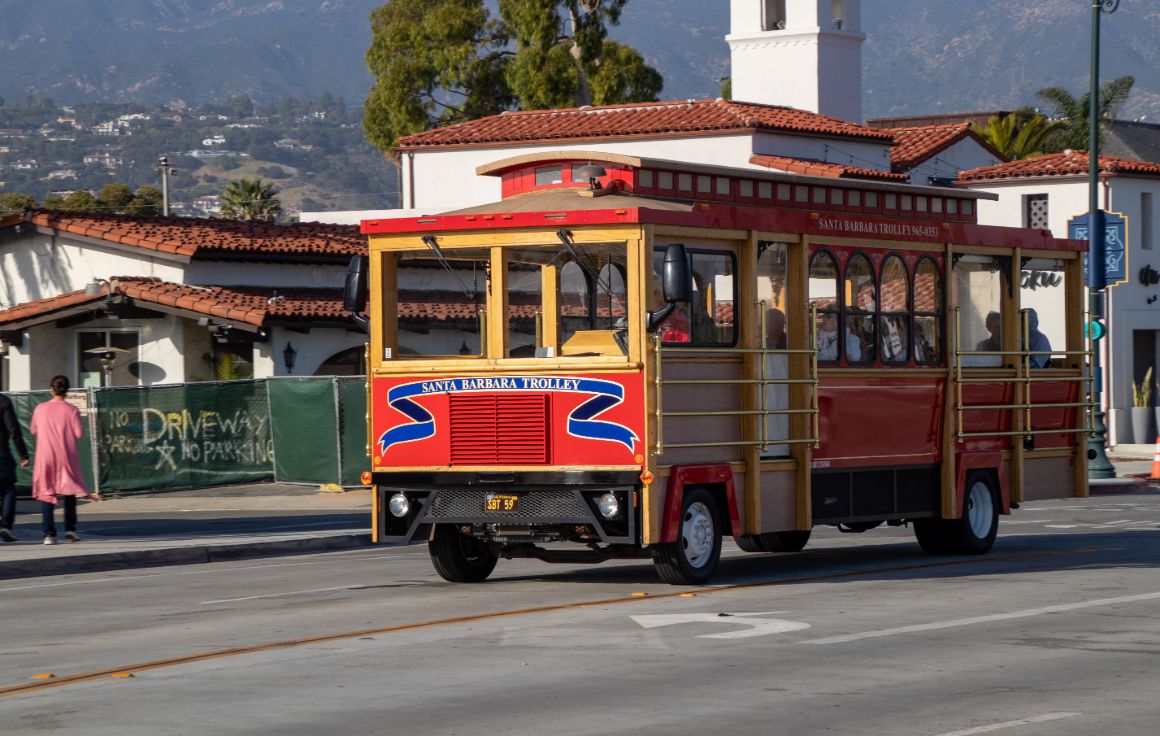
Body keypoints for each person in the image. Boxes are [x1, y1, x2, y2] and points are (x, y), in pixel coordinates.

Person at [31, 375, 99, 545]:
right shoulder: (72, 410)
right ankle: (70, 529)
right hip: (66, 456)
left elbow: (33, 430)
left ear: (51, 389)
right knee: (69, 492)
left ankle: (49, 534)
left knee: (47, 493)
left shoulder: (40, 408)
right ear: (67, 391)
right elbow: (79, 434)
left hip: (45, 455)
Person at [0, 390, 30, 543]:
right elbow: (14, 429)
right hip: (2, 452)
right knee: (8, 488)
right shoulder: (4, 401)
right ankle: (5, 525)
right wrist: (23, 455)